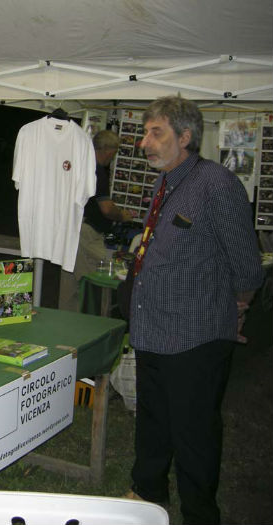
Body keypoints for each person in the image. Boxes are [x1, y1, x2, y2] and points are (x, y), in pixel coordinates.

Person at [125, 96, 263, 525]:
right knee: (153, 422)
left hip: (195, 337)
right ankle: (148, 495)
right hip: (153, 331)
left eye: (156, 132)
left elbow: (246, 264)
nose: (145, 142)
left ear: (185, 137)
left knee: (194, 435)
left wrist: (237, 305)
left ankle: (200, 515)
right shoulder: (163, 183)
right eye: (145, 132)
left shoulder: (216, 184)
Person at [58, 129, 133, 311]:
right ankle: (99, 323)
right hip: (87, 233)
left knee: (70, 283)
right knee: (112, 273)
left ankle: (65, 324)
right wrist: (123, 215)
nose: (112, 157)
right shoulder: (97, 170)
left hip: (71, 228)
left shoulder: (79, 165)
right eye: (114, 152)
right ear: (108, 150)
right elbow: (106, 208)